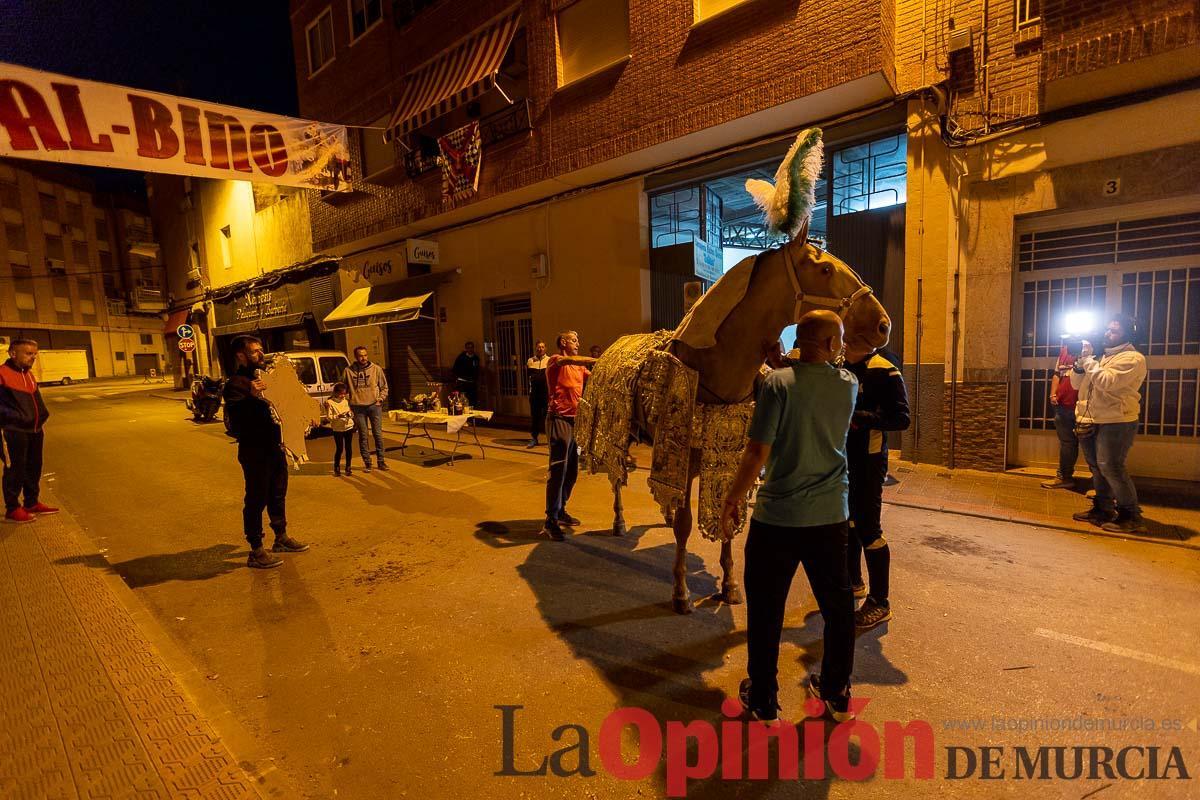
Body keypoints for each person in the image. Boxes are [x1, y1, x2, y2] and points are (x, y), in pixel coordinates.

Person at [720, 310, 858, 724]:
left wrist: (731, 499)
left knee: (765, 611)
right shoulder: (850, 385)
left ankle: (763, 698)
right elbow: (813, 384)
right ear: (832, 345)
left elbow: (756, 453)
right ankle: (836, 693)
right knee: (839, 609)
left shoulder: (776, 385)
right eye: (840, 340)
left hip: (777, 518)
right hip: (831, 516)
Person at [223, 336, 309, 569]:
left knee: (277, 493)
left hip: (275, 447)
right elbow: (237, 420)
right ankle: (256, 549)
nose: (261, 355)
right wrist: (251, 396)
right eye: (254, 352)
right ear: (241, 356)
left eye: (261, 350)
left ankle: (281, 538)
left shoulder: (267, 378)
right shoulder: (236, 383)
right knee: (256, 498)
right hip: (254, 450)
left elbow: (284, 407)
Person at [843, 345, 910, 631]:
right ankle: (853, 582)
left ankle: (880, 602)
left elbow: (902, 419)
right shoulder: (840, 365)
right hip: (843, 457)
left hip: (869, 461)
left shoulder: (884, 368)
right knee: (849, 522)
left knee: (869, 528)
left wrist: (863, 418)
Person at [1071, 313, 1148, 533]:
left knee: (1111, 467)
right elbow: (1077, 385)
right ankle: (1103, 509)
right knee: (1097, 468)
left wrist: (1087, 361)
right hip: (1092, 418)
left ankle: (1130, 515)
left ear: (1129, 334)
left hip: (1117, 421)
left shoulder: (1133, 359)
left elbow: (1106, 382)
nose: (1107, 333)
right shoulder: (1100, 358)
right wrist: (1079, 365)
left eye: (1114, 330)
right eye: (1107, 329)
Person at [541, 331, 598, 541]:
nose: (578, 343)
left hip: (576, 422)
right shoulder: (557, 361)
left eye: (578, 339)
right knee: (558, 469)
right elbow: (569, 359)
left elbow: (596, 378)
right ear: (563, 342)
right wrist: (597, 359)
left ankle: (560, 509)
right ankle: (550, 520)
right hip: (559, 420)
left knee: (572, 470)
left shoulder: (579, 367)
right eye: (574, 340)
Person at [0, 339, 58, 523]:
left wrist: (41, 416)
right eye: (28, 353)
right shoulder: (2, 374)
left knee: (34, 466)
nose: (33, 357)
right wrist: (16, 417)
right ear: (13, 353)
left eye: (35, 353)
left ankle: (31, 502)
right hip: (12, 430)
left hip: (34, 430)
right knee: (15, 469)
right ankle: (12, 508)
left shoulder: (28, 374)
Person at [342, 346, 389, 472]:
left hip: (374, 406)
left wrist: (380, 399)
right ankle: (367, 462)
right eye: (360, 356)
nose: (363, 358)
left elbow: (384, 387)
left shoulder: (376, 369)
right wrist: (348, 401)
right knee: (363, 435)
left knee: (377, 434)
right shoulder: (348, 371)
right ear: (356, 357)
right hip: (358, 408)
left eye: (365, 355)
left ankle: (381, 461)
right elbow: (343, 388)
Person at [1041, 340, 1081, 490]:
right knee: (1067, 444)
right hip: (1062, 406)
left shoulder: (1093, 349)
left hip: (1085, 407)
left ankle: (1101, 487)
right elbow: (1057, 374)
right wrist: (1053, 394)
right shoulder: (1064, 350)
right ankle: (1064, 477)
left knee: (1093, 446)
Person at [324, 382, 355, 476]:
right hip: (338, 428)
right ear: (336, 393)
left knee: (349, 448)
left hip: (348, 426)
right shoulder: (330, 402)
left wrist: (350, 414)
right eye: (341, 393)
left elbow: (350, 411)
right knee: (340, 448)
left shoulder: (345, 401)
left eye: (344, 393)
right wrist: (338, 416)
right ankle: (336, 467)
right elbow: (329, 417)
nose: (343, 395)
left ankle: (348, 467)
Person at [526, 341, 549, 448]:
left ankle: (550, 438)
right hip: (535, 394)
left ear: (545, 348)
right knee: (535, 416)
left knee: (547, 416)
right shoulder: (530, 361)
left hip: (546, 393)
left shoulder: (549, 360)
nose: (540, 349)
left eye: (542, 347)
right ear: (536, 348)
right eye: (538, 347)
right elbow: (529, 377)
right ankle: (534, 438)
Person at [452, 341, 481, 408]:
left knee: (473, 401)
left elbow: (477, 370)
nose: (470, 349)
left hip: (472, 383)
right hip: (463, 382)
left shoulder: (476, 358)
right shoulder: (461, 358)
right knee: (463, 400)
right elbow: (455, 369)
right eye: (468, 348)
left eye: (471, 348)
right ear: (466, 348)